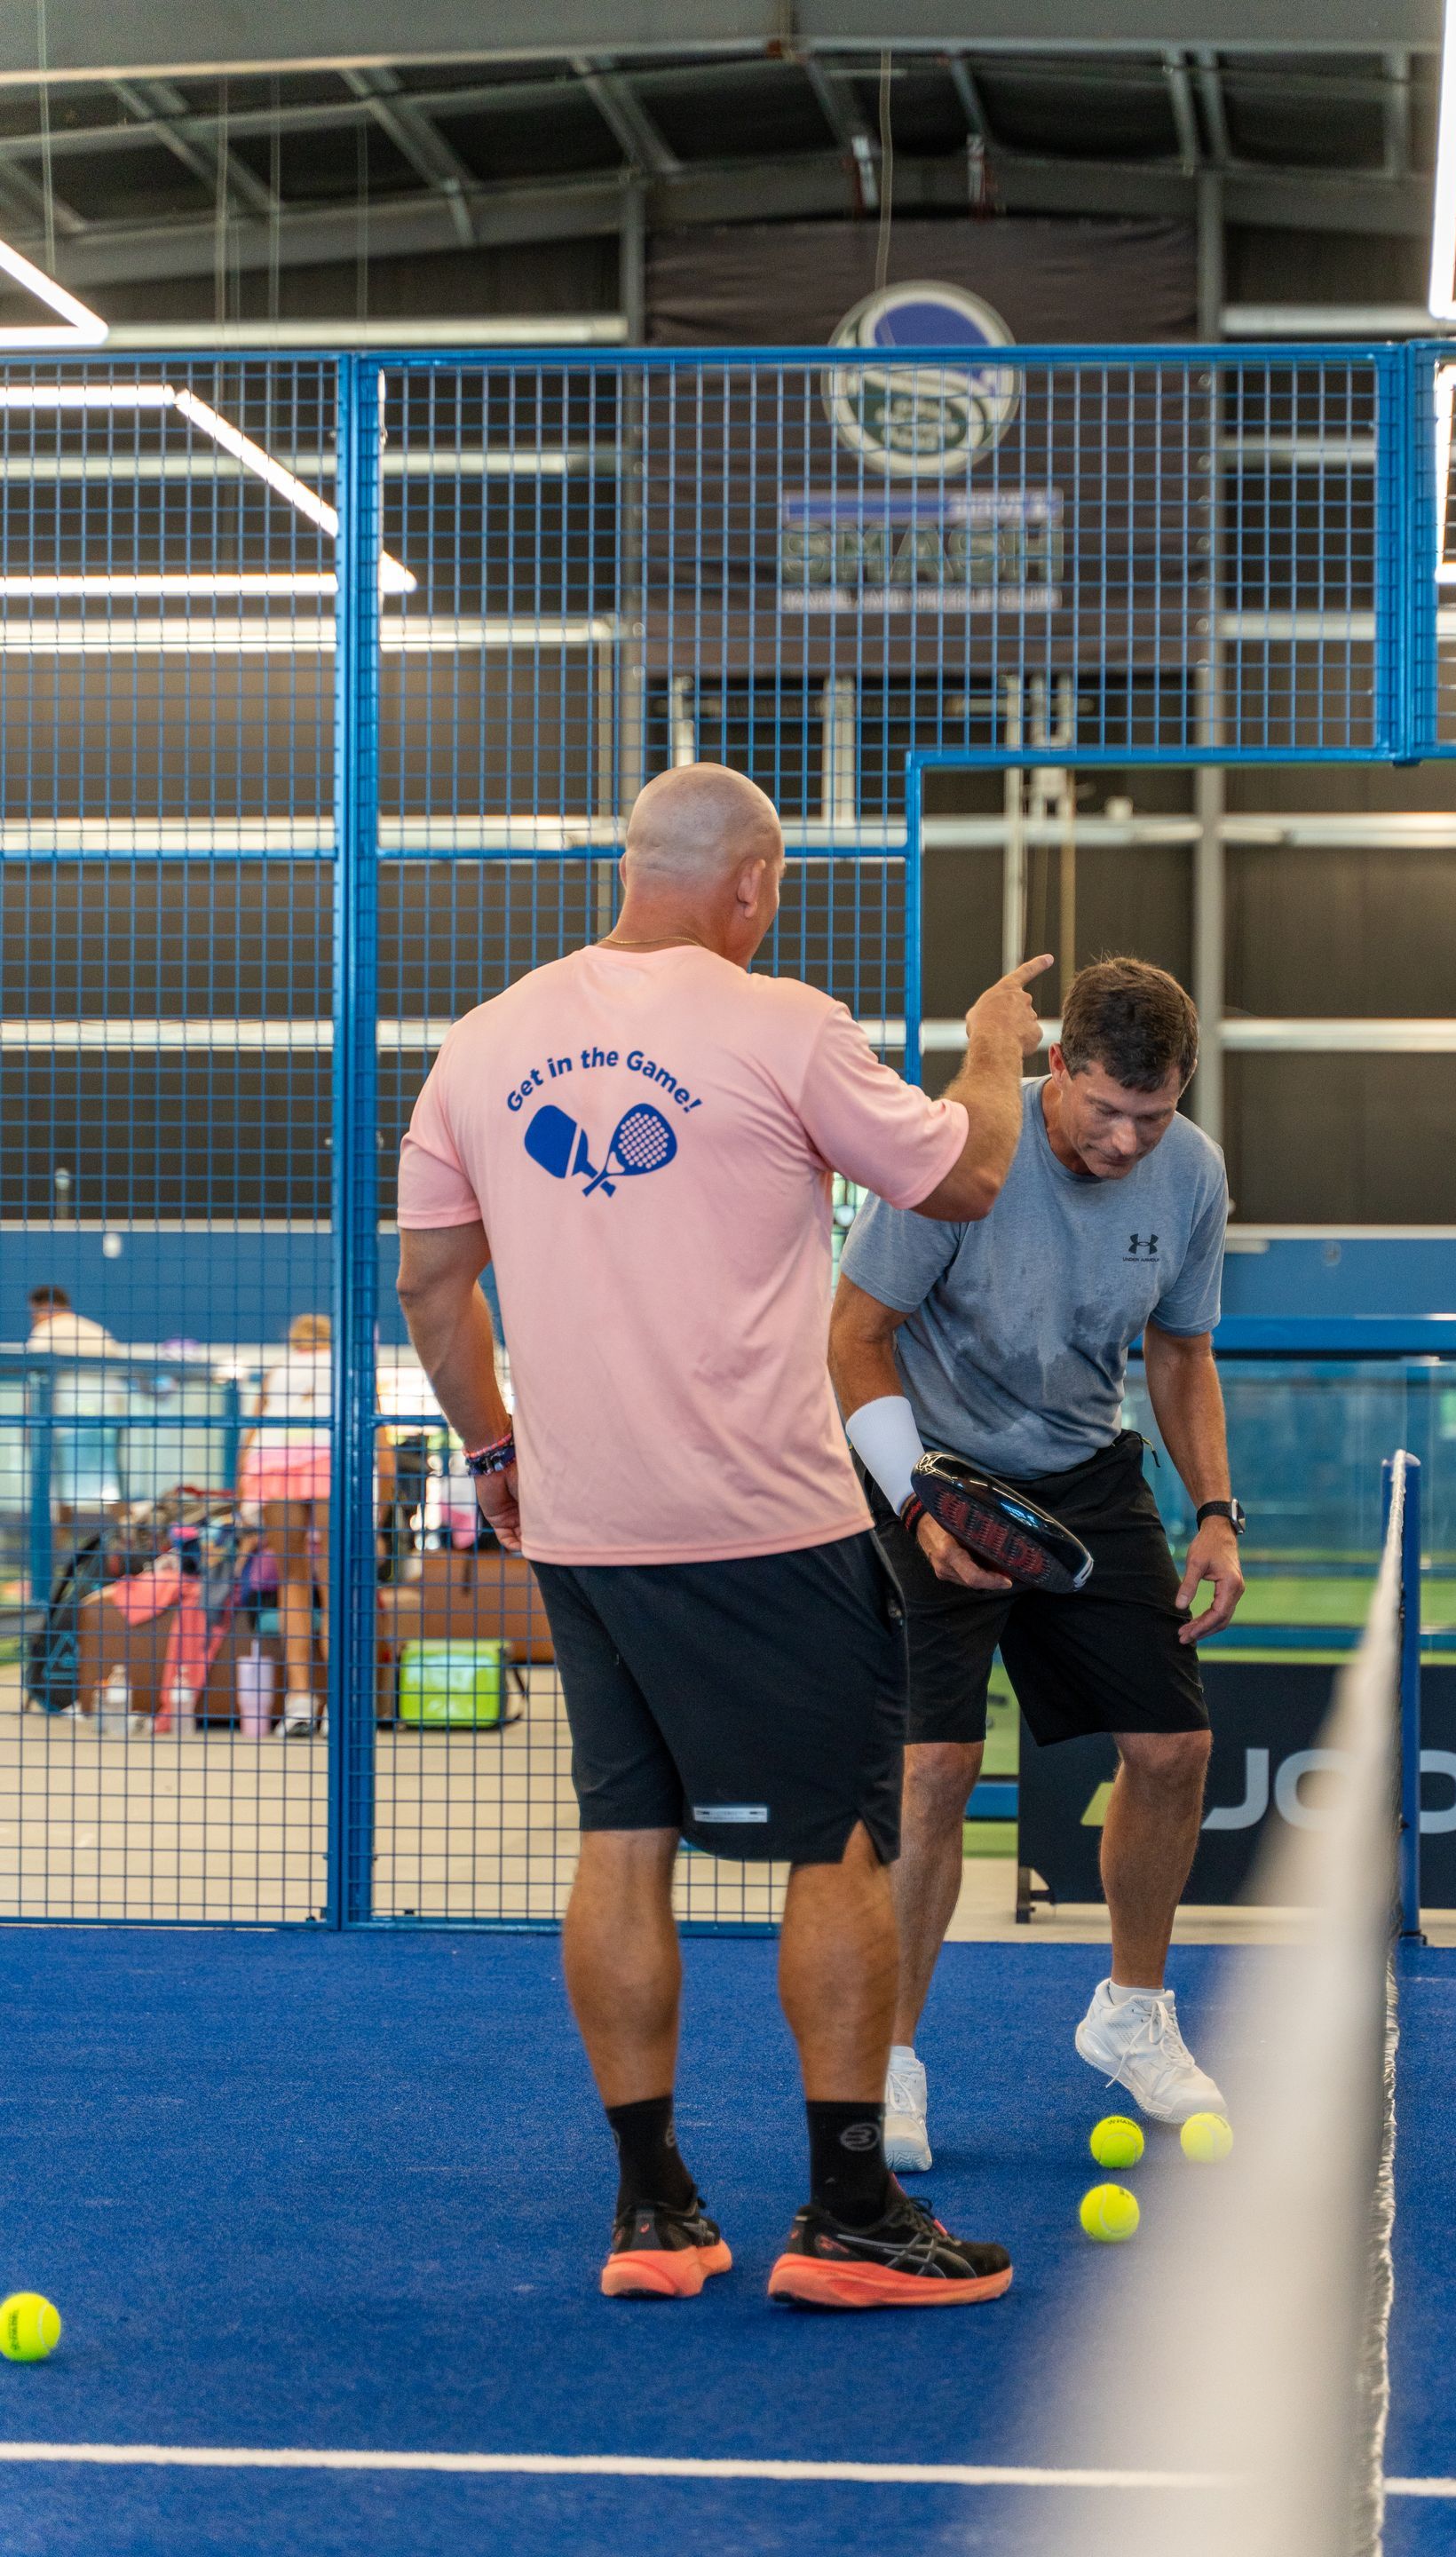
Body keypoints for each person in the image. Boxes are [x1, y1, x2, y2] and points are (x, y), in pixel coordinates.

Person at [394, 761, 1048, 2309]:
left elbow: (431, 1284)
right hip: (763, 1522)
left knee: (623, 1841)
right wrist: (993, 1055)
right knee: (838, 1844)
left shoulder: (481, 1047)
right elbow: (967, 1172)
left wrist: (495, 1448)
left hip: (583, 1517)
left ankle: (654, 2208)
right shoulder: (784, 1025)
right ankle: (849, 2215)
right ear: (751, 884)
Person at [828, 956, 1246, 2173]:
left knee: (1174, 1749)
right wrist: (915, 1500)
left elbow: (1181, 1352)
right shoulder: (956, 1152)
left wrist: (1216, 1510)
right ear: (1059, 1068)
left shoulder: (1196, 1173)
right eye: (1107, 1109)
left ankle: (1130, 2014)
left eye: (1152, 1116)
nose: (1127, 1141)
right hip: (930, 1468)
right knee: (934, 1772)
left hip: (1082, 1471)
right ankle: (890, 2064)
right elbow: (854, 1342)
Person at [239, 1313, 333, 1738]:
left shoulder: (277, 1374)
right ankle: (342, 1704)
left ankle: (300, 1700)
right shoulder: (350, 1370)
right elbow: (380, 1445)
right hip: (335, 1462)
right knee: (337, 1587)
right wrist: (381, 1510)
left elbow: (251, 1438)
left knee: (292, 1582)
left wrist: (245, 1502)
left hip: (275, 1466)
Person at [27, 1284, 129, 1532]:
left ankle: (55, 1555)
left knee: (59, 1490)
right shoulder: (98, 1332)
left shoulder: (44, 1333)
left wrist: (30, 1426)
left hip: (66, 1423)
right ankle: (131, 1540)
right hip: (108, 1421)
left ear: (42, 1308)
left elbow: (36, 1381)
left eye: (34, 1313)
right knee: (111, 1489)